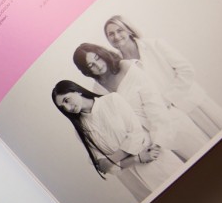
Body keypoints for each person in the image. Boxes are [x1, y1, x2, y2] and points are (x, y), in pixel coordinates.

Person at [72, 42, 206, 161]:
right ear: (86, 70)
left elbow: (153, 101)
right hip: (146, 145)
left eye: (97, 58)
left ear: (102, 54)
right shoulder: (98, 91)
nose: (98, 65)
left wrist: (158, 140)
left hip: (169, 123)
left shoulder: (126, 67)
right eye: (91, 65)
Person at [51, 80, 182, 202]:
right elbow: (104, 167)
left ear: (76, 91)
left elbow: (136, 134)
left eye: (66, 100)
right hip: (132, 177)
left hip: (152, 159)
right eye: (63, 107)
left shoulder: (112, 100)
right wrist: (136, 158)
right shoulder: (81, 131)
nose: (68, 108)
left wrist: (110, 160)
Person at [104, 15, 222, 137]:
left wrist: (168, 99)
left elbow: (186, 70)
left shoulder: (155, 44)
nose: (116, 36)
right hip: (170, 119)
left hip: (192, 103)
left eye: (120, 30)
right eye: (111, 34)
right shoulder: (119, 66)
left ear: (129, 30)